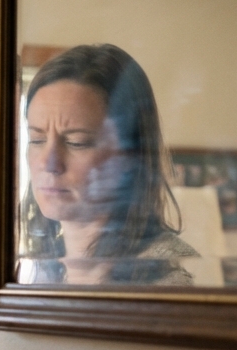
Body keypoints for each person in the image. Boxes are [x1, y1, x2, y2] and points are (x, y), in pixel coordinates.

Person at [16, 43, 196, 286]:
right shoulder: (32, 271)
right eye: (37, 139)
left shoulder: (166, 287)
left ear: (130, 156)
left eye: (77, 142)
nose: (48, 163)